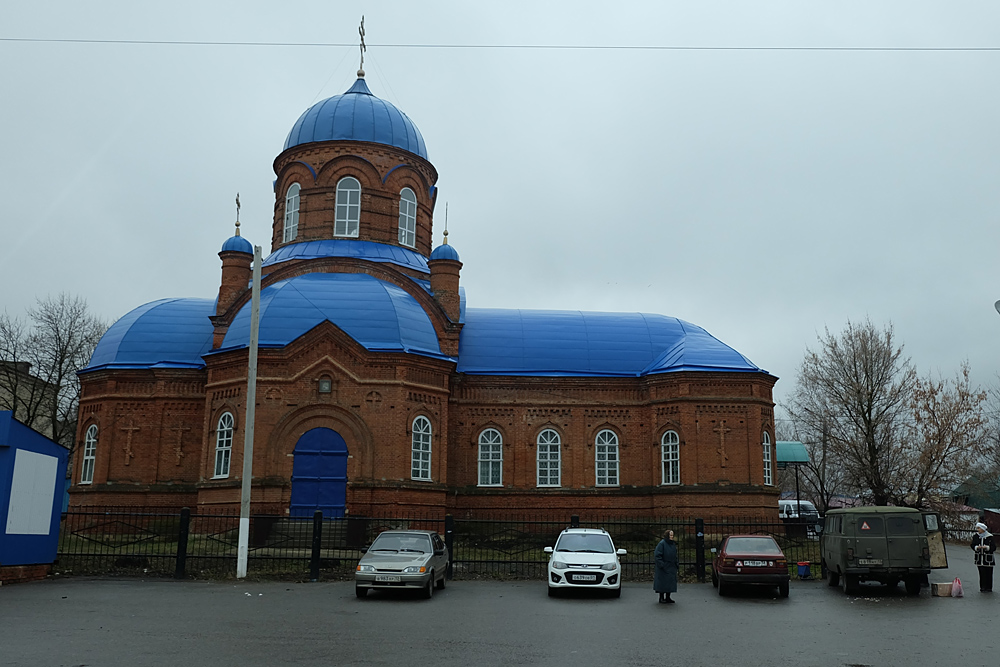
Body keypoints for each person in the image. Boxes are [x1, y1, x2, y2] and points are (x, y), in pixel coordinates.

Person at [654, 529, 679, 603]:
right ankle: (661, 597)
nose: (672, 537)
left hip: (671, 566)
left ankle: (668, 597)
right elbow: (657, 555)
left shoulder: (672, 544)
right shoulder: (662, 544)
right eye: (670, 535)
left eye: (672, 535)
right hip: (664, 566)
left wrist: (676, 563)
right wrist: (662, 564)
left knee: (670, 582)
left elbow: (675, 555)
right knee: (662, 582)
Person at [972, 522, 996, 593]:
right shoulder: (976, 536)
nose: (978, 530)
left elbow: (993, 547)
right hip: (979, 559)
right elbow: (972, 545)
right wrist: (976, 547)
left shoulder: (990, 537)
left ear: (983, 529)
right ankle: (982, 587)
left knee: (989, 573)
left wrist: (987, 547)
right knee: (981, 573)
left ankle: (989, 587)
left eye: (979, 528)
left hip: (988, 559)